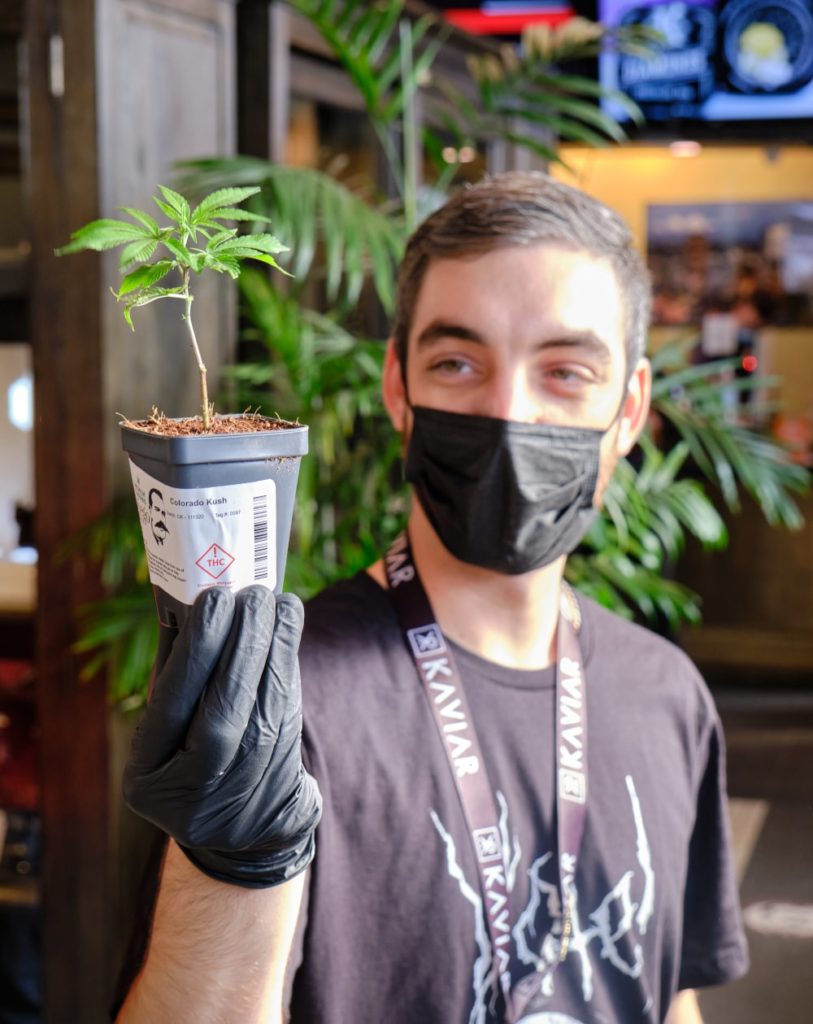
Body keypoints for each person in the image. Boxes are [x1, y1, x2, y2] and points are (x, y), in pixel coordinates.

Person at [116, 172, 748, 1024]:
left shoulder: (667, 694)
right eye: (456, 362)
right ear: (397, 389)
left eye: (565, 372)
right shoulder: (277, 704)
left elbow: (668, 995)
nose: (507, 410)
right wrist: (235, 867)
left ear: (628, 411)